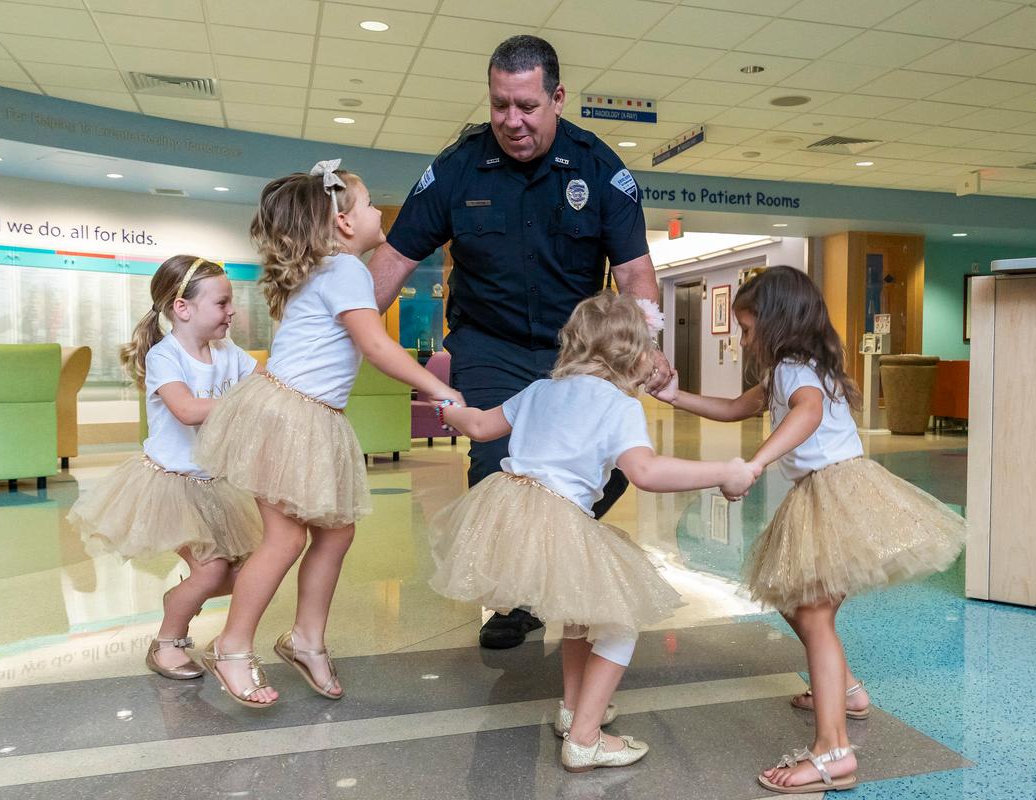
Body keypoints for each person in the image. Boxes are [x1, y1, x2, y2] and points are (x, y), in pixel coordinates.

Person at [368, 34, 673, 650]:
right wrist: (348, 323)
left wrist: (647, 346)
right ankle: (517, 599)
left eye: (527, 106)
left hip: (578, 352)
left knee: (609, 464)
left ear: (557, 99)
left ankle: (550, 561)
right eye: (500, 105)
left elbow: (635, 271)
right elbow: (396, 257)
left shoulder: (599, 167)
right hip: (491, 343)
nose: (512, 121)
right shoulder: (458, 168)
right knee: (495, 469)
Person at [653, 266, 965, 793]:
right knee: (794, 600)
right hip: (838, 493)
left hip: (833, 495)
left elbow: (809, 414)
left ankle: (833, 753)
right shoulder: (798, 367)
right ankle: (844, 691)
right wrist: (675, 397)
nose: (744, 339)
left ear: (777, 323)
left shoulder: (797, 373)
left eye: (748, 329)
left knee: (814, 618)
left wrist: (755, 465)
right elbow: (733, 408)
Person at [431, 291, 755, 772]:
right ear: (631, 353)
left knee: (579, 613)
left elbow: (479, 425)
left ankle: (573, 708)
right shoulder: (618, 406)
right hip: (560, 517)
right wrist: (723, 470)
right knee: (620, 622)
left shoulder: (540, 389)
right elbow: (644, 471)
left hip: (511, 510)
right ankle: (585, 738)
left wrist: (447, 409)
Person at [193, 161, 464, 707]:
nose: (376, 212)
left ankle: (305, 638)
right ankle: (231, 645)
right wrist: (439, 390)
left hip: (305, 417)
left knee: (335, 531)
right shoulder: (344, 272)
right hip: (292, 418)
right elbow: (378, 347)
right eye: (366, 205)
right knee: (286, 538)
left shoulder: (325, 271)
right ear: (343, 222)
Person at [68, 255, 262, 680]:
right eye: (223, 303)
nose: (232, 311)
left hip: (216, 483)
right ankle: (167, 642)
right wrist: (247, 403)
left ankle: (182, 599)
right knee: (211, 571)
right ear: (183, 308)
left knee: (243, 571)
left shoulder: (228, 352)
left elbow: (266, 386)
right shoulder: (165, 356)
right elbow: (188, 409)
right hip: (170, 485)